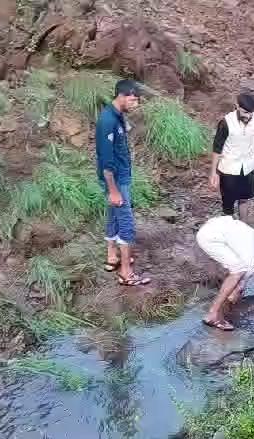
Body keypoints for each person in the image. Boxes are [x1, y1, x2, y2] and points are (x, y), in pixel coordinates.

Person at [96, 79, 150, 286]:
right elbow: (106, 160)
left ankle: (112, 257)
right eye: (133, 100)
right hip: (116, 179)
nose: (135, 104)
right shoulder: (107, 120)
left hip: (120, 176)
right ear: (122, 95)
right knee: (126, 222)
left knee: (113, 216)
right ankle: (126, 273)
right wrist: (113, 190)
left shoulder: (117, 116)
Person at [196, 215, 254, 331]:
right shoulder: (252, 264)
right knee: (238, 271)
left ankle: (218, 309)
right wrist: (231, 305)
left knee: (237, 268)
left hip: (216, 225)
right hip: (209, 236)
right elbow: (237, 290)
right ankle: (213, 315)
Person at [208, 93, 254, 220]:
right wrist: (213, 173)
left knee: (245, 199)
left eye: (251, 113)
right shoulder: (226, 122)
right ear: (237, 106)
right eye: (245, 112)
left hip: (248, 168)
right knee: (228, 205)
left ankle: (243, 228)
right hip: (229, 169)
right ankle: (229, 231)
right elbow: (217, 148)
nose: (248, 116)